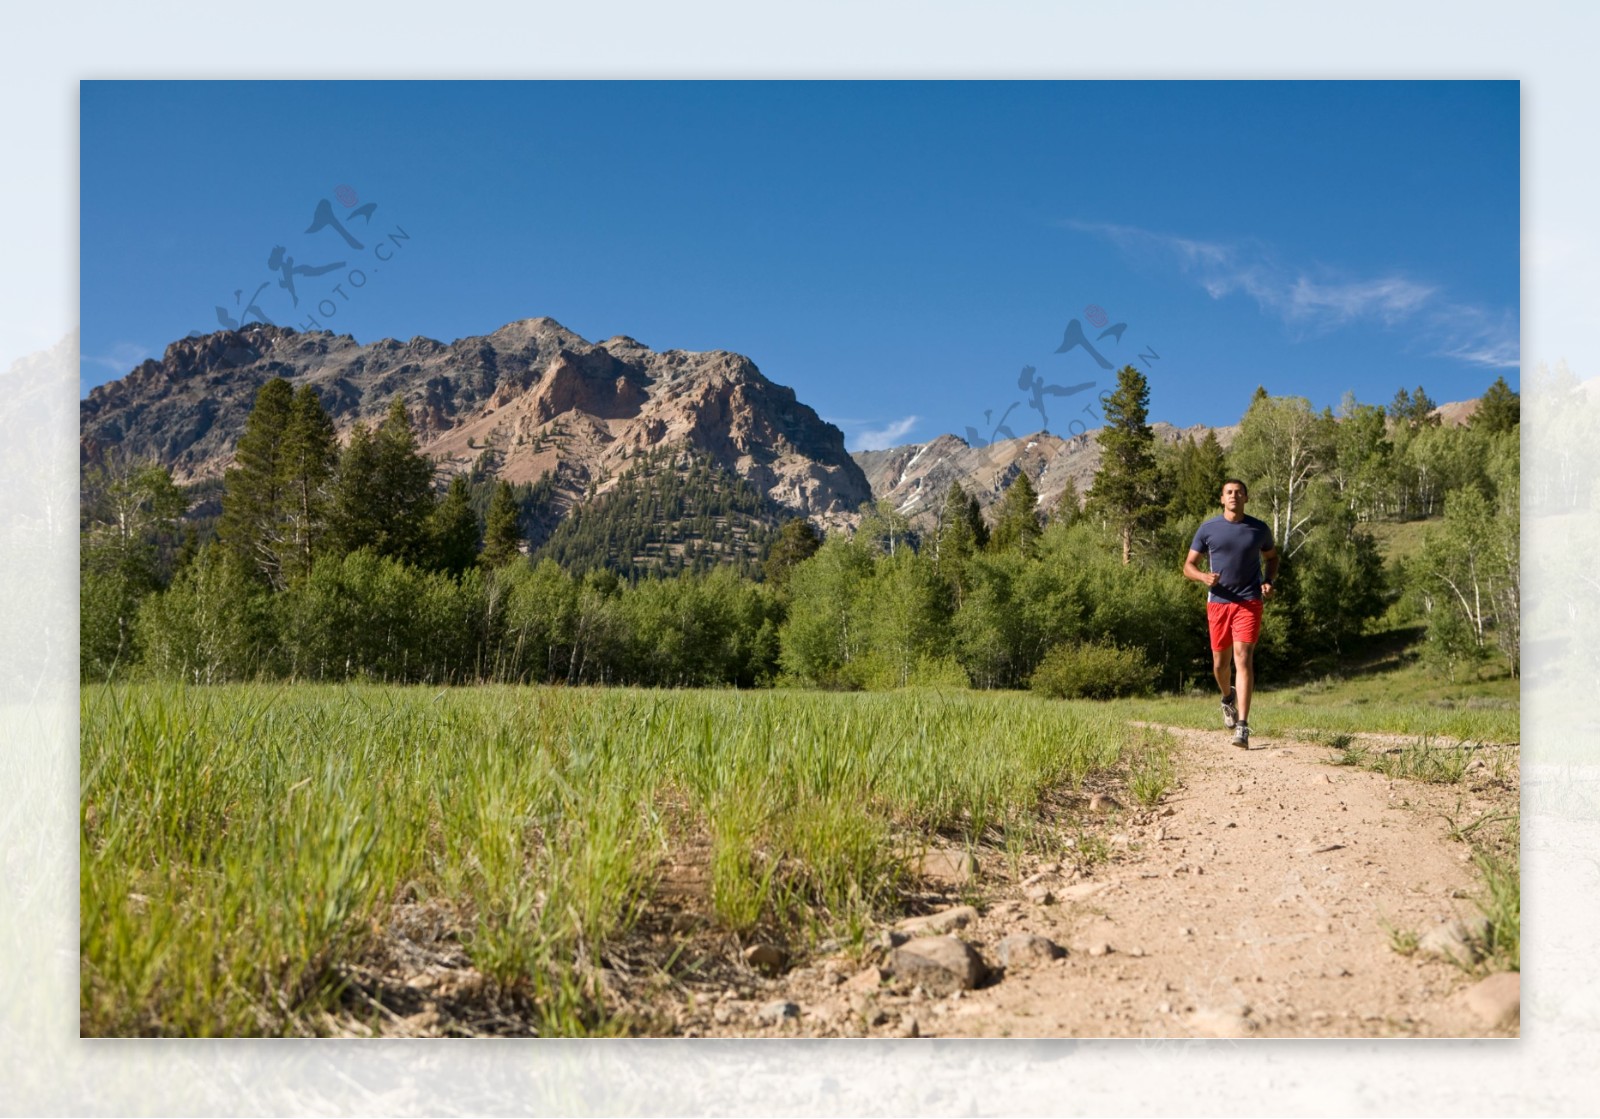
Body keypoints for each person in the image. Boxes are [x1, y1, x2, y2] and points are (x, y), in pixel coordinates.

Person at [1183, 479, 1279, 748]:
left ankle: (1243, 726)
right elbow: (1188, 566)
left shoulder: (1258, 529)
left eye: (1239, 492)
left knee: (1243, 658)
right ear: (1221, 499)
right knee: (1219, 664)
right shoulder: (1208, 529)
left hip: (1248, 601)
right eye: (1229, 492)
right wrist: (1203, 576)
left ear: (1246, 498)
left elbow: (1272, 557)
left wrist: (1269, 582)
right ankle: (1227, 698)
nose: (1234, 496)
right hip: (1219, 603)